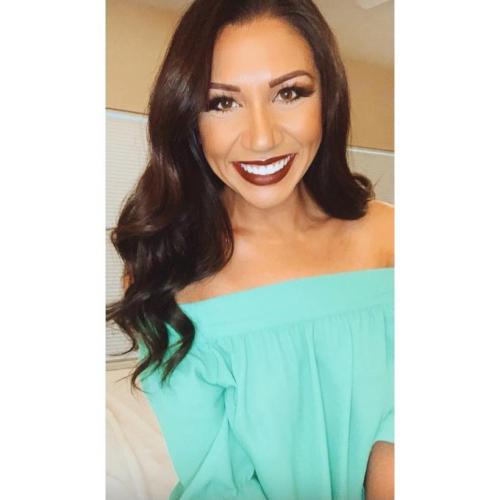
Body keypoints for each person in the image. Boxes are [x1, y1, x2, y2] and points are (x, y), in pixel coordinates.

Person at [107, 0, 394, 498]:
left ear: (327, 99)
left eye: (289, 92)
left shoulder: (393, 236)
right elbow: (218, 480)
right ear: (189, 118)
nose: (262, 138)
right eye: (222, 102)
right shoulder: (165, 273)